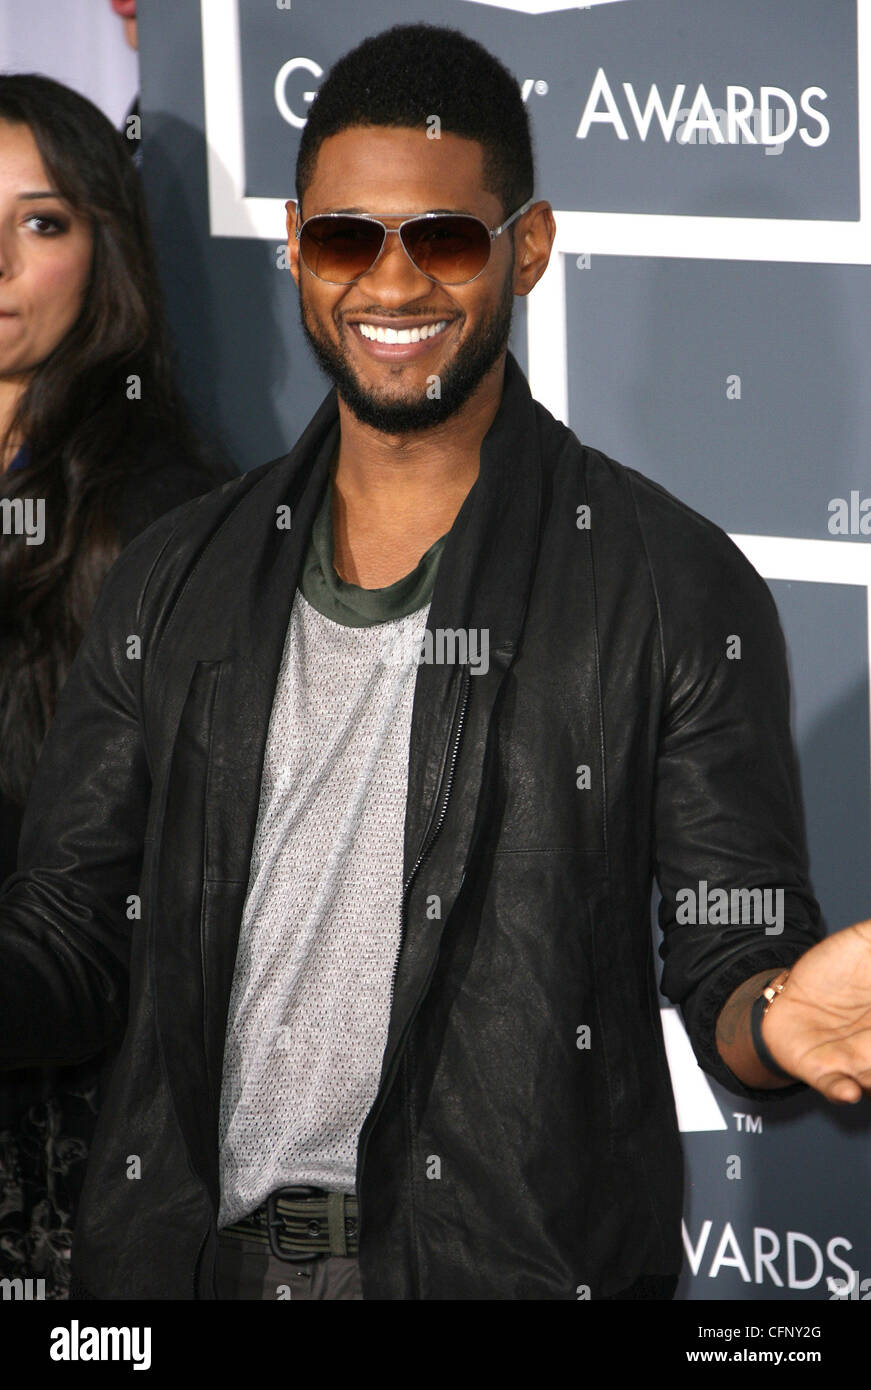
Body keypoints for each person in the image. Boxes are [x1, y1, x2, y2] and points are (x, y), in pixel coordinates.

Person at [1, 24, 870, 1303]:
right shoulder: (175, 574)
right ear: (298, 243)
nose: (391, 284)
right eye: (349, 238)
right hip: (184, 1274)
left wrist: (778, 1016)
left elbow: (728, 951)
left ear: (527, 244)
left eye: (444, 240)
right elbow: (74, 938)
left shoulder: (668, 584)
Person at [0, 73, 233, 1297]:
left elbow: (129, 931)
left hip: (82, 1160)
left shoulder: (160, 523)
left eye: (41, 222)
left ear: (107, 250)